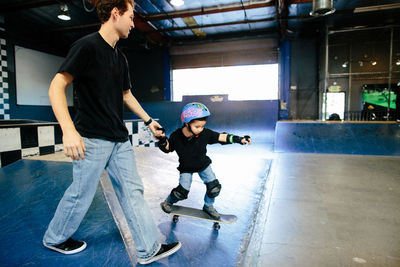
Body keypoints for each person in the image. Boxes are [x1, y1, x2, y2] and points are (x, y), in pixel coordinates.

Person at [43, 0, 181, 264]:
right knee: (81, 194)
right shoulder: (86, 46)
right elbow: (56, 86)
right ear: (115, 13)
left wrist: (149, 120)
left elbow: (126, 95)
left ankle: (148, 249)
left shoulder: (120, 58)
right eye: (130, 16)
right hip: (91, 139)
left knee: (133, 191)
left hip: (119, 140)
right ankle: (54, 238)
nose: (133, 23)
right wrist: (68, 131)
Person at [157, 102, 251, 220]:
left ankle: (208, 206)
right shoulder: (176, 136)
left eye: (202, 126)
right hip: (186, 167)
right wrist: (162, 140)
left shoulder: (205, 133)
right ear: (186, 123)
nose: (200, 129)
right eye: (197, 127)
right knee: (181, 192)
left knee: (214, 188)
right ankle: (168, 202)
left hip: (203, 165)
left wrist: (239, 139)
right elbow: (168, 148)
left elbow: (222, 137)